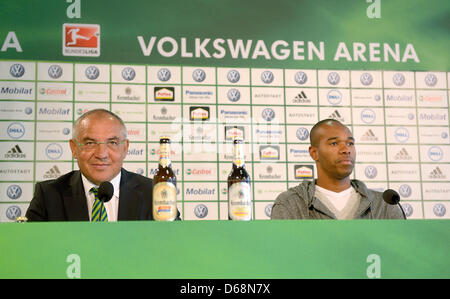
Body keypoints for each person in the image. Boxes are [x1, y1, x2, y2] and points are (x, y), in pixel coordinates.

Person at [26, 109, 179, 221]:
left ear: (124, 148)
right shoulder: (48, 195)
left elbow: (174, 247)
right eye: (90, 143)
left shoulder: (152, 193)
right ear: (74, 148)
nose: (101, 154)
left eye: (112, 143)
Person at [271, 119, 405, 219]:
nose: (346, 150)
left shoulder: (385, 205)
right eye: (334, 143)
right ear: (314, 153)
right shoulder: (290, 204)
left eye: (350, 143)